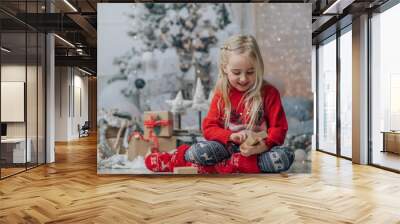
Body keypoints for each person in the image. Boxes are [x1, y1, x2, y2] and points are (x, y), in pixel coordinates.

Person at [145, 34, 294, 173]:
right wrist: (231, 136)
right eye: (236, 72)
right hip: (225, 148)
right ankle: (174, 160)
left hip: (257, 150)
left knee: (285, 156)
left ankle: (221, 167)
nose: (243, 79)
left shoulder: (269, 93)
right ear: (225, 68)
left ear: (259, 68)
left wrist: (263, 146)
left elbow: (279, 128)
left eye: (250, 72)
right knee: (200, 151)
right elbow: (209, 128)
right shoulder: (222, 94)